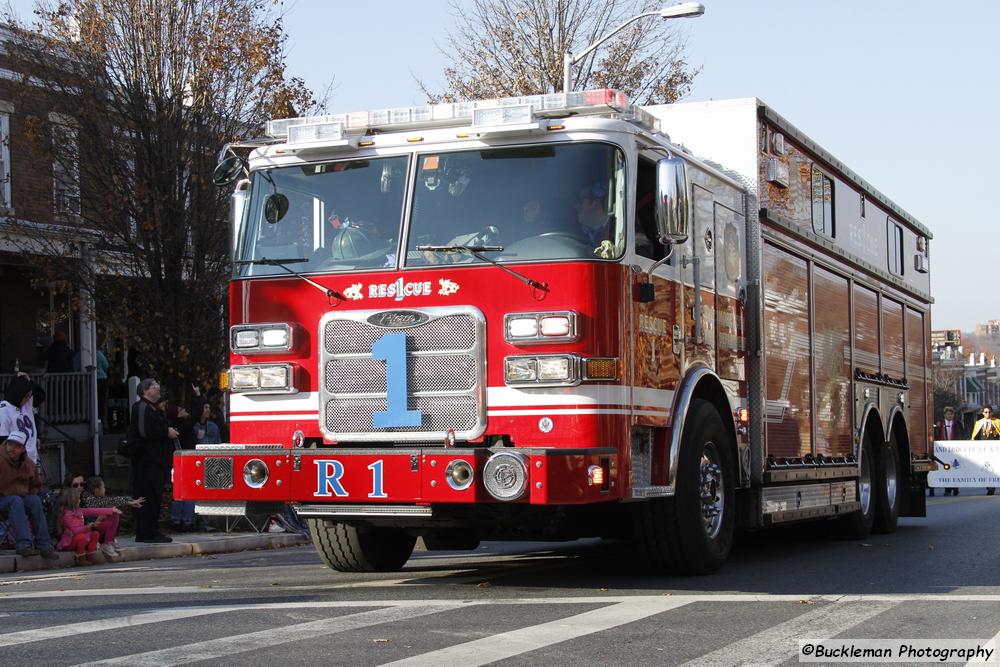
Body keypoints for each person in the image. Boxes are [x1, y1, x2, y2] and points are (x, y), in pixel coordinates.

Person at [127, 378, 178, 543]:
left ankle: (152, 530)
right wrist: (166, 432)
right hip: (145, 462)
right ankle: (146, 532)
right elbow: (144, 431)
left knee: (155, 496)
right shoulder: (141, 407)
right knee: (146, 496)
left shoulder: (154, 409)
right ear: (145, 391)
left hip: (156, 461)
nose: (158, 389)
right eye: (154, 386)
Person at [0, 431, 59, 560]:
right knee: (15, 501)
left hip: (17, 498)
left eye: (16, 446)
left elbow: (36, 484)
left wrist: (29, 495)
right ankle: (23, 545)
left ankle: (44, 545)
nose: (12, 449)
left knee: (34, 501)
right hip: (3, 498)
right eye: (10, 445)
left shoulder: (28, 464)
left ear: (23, 448)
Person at [57, 486, 121, 564]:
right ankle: (80, 558)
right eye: (78, 499)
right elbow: (75, 530)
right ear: (72, 501)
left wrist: (110, 510)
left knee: (95, 534)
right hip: (70, 541)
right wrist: (87, 527)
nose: (80, 501)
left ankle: (90, 556)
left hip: (81, 538)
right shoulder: (67, 515)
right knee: (82, 537)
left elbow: (92, 511)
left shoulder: (79, 510)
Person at [0, 372, 47, 464]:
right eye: (26, 396)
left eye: (30, 396)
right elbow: (2, 439)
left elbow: (41, 395)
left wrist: (28, 381)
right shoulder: (4, 409)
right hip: (16, 462)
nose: (28, 399)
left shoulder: (26, 405)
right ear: (18, 392)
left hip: (32, 460)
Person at [933, 406, 966, 496]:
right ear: (944, 415)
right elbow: (936, 435)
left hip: (955, 450)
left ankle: (955, 488)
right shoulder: (940, 424)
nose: (950, 416)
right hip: (944, 450)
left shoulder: (957, 424)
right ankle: (947, 489)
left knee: (955, 469)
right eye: (948, 414)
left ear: (953, 415)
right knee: (946, 469)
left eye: (951, 414)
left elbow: (962, 435)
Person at [971, 405, 1000, 495]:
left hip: (995, 450)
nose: (988, 414)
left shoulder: (997, 422)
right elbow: (974, 437)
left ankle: (992, 486)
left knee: (993, 468)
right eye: (986, 412)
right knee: (985, 468)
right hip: (983, 450)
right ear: (983, 413)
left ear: (992, 412)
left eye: (989, 412)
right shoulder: (979, 423)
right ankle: (988, 485)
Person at [575, 183, 612, 248]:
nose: (576, 206)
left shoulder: (616, 234)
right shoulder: (579, 233)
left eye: (581, 201)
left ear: (596, 204)